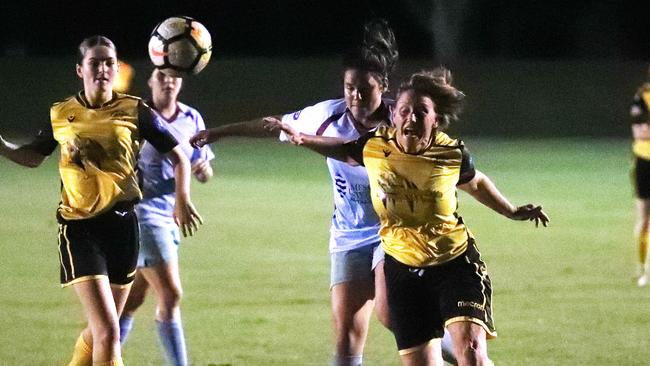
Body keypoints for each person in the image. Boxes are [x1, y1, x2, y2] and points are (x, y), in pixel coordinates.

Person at [192, 18, 458, 366]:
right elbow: (274, 125)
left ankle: (466, 354)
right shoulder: (326, 115)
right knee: (346, 330)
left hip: (395, 233)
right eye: (349, 87)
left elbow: (375, 149)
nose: (356, 95)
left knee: (392, 313)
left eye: (365, 88)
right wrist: (218, 133)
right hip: (348, 234)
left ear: (383, 87)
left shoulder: (401, 120)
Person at [270, 67, 549, 366]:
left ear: (436, 119)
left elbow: (476, 182)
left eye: (420, 112)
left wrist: (511, 211)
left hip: (454, 264)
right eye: (404, 111)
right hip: (401, 271)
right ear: (394, 116)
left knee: (471, 354)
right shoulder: (375, 147)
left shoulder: (451, 154)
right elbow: (344, 150)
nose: (410, 118)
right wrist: (302, 138)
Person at [0, 35, 202, 366]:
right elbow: (33, 157)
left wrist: (182, 199)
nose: (103, 69)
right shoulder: (62, 113)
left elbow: (179, 155)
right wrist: (3, 146)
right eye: (95, 63)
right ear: (80, 70)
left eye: (109, 62)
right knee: (109, 331)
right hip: (80, 229)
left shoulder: (135, 110)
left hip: (123, 228)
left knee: (99, 333)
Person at [118, 68, 214, 365]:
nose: (168, 81)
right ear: (150, 81)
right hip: (141, 215)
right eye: (161, 76)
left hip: (171, 214)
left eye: (174, 77)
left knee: (131, 300)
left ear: (181, 82)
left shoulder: (192, 118)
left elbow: (203, 167)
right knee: (171, 294)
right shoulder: (138, 115)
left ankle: (97, 355)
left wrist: (203, 172)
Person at [630, 66, 650, 287]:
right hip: (645, 161)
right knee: (644, 218)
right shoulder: (642, 97)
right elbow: (641, 132)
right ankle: (643, 269)